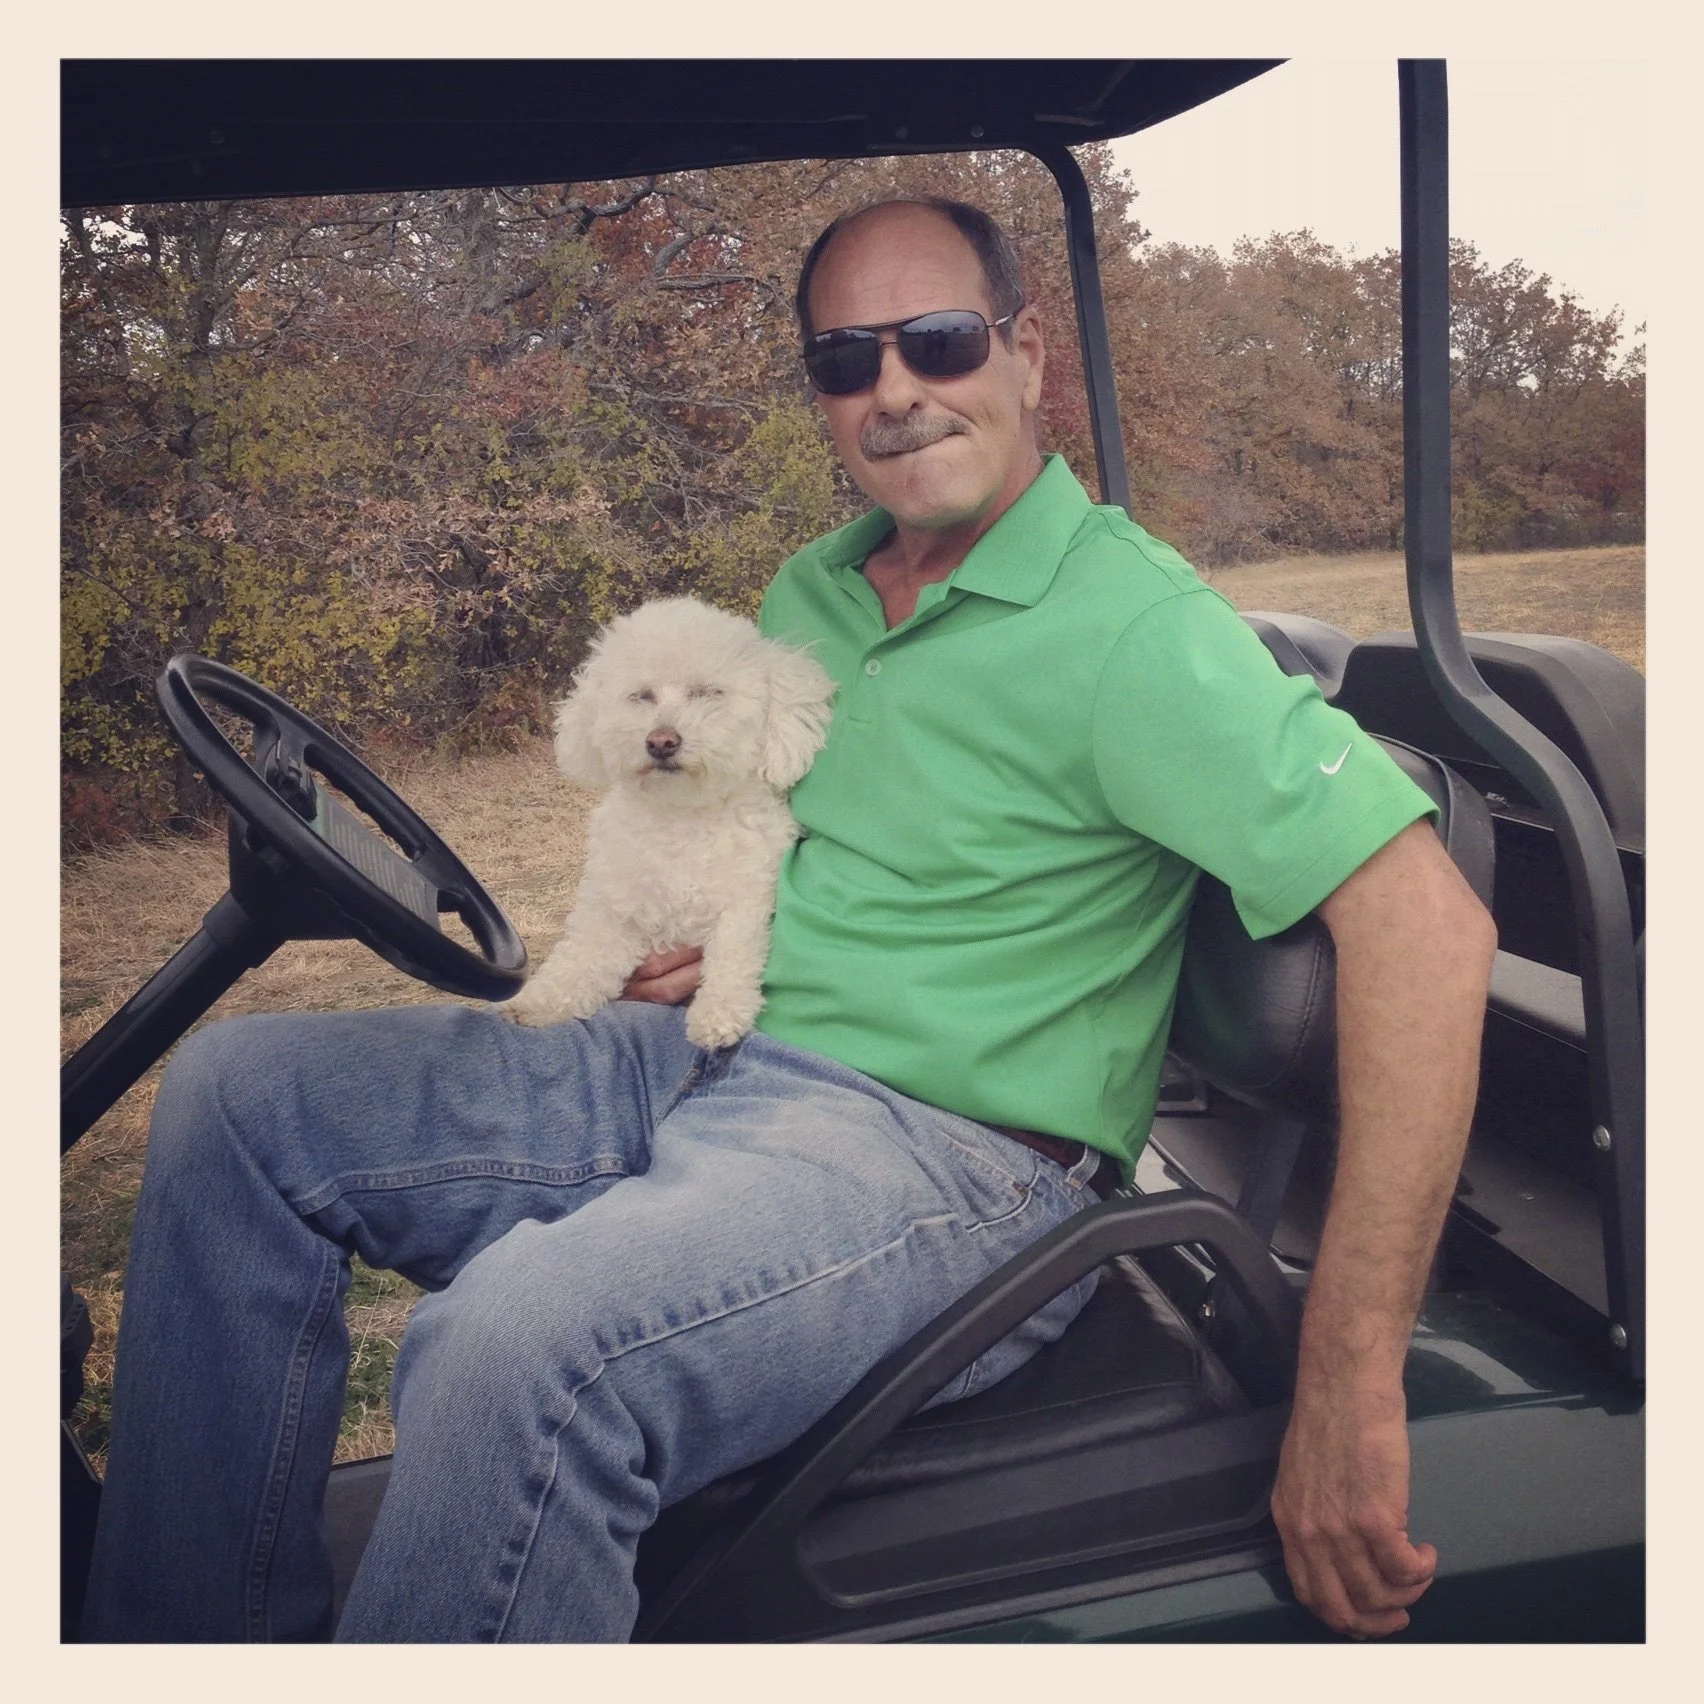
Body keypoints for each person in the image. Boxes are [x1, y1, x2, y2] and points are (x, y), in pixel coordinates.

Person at [82, 197, 1497, 1643]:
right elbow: (799, 832)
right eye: (845, 359)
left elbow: (1429, 928)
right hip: (714, 1058)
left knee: (518, 1343)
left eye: (938, 340)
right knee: (243, 1097)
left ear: (1025, 356)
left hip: (943, 1157)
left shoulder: (1136, 627)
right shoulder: (816, 588)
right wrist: (718, 937)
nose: (895, 388)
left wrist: (1350, 1383)